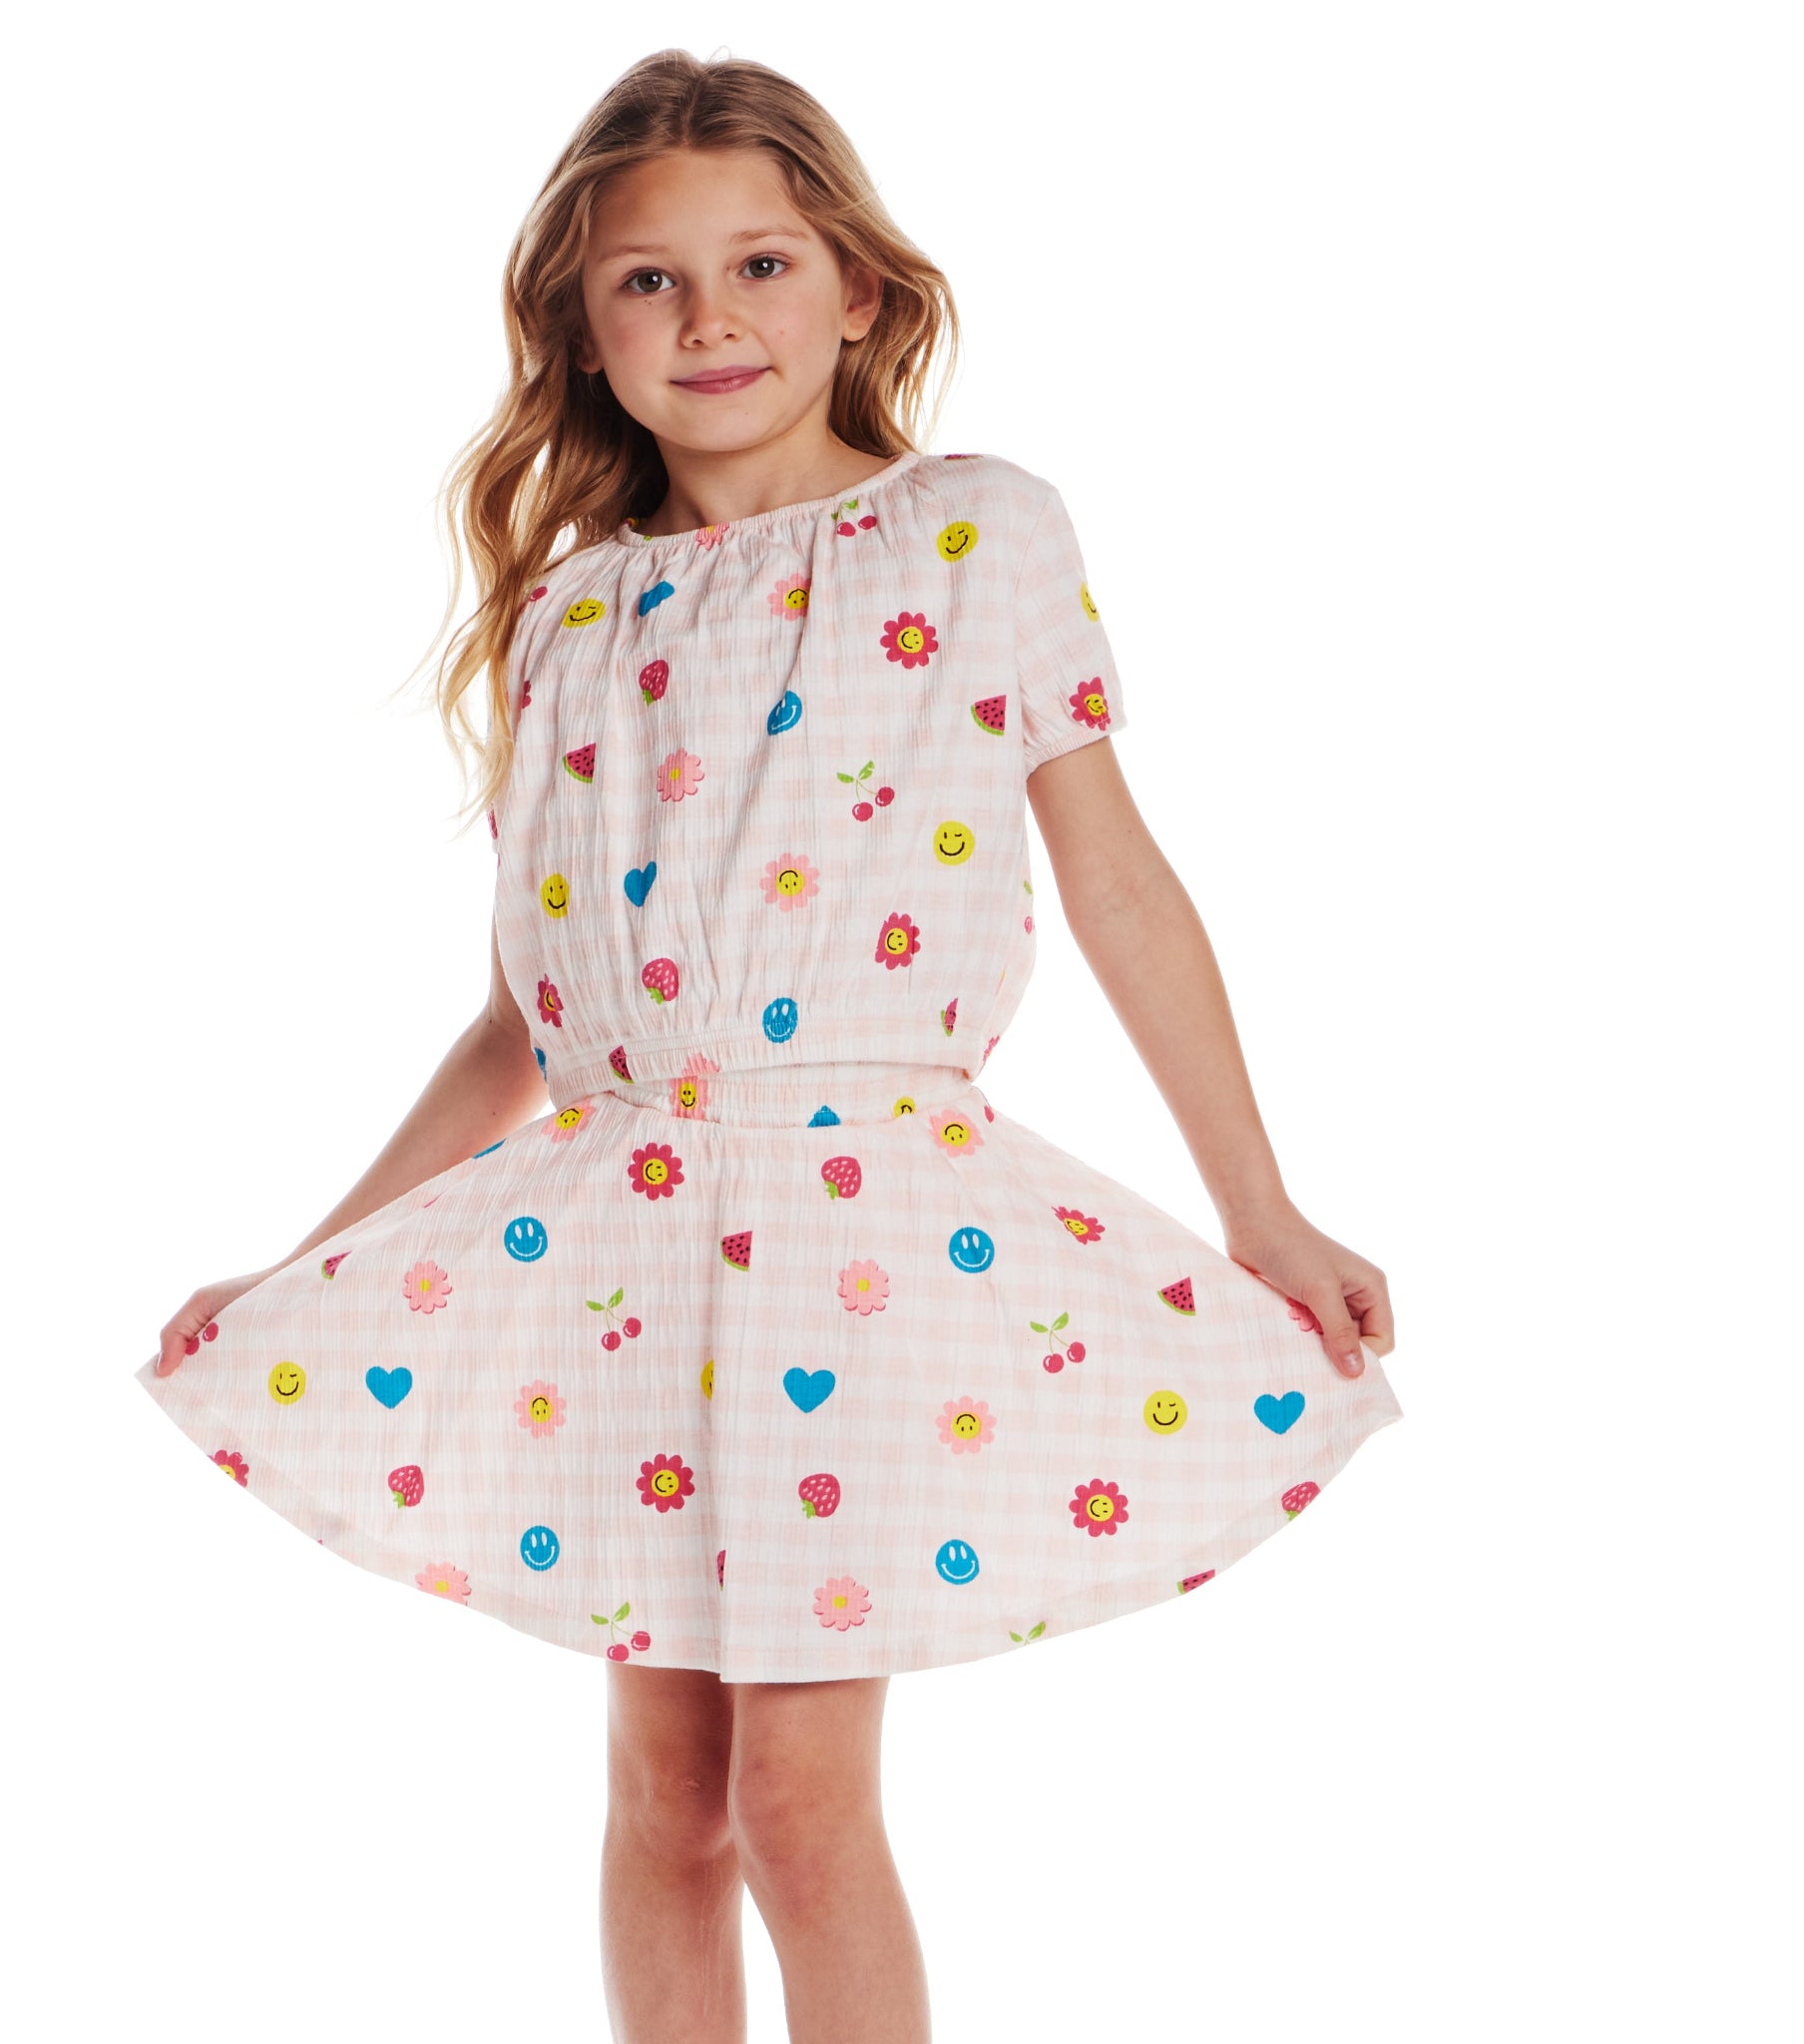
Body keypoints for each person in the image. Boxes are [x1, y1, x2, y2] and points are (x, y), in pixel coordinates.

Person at [136, 49, 1402, 2042]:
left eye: (760, 264)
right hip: (626, 1243)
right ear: (581, 325)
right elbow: (519, 1024)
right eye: (647, 280)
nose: (709, 317)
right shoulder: (571, 621)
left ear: (857, 290)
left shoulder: (975, 537)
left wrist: (1264, 1209)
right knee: (668, 1803)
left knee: (802, 1807)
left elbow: (1119, 884)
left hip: (858, 1235)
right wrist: (309, 1261)